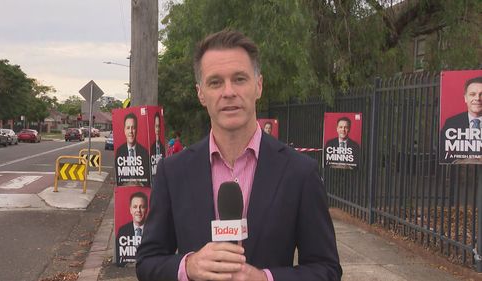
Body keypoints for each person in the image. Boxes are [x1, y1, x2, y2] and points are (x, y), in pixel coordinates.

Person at [136, 30, 341, 281]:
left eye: (240, 79)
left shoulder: (300, 172)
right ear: (201, 93)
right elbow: (147, 262)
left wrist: (265, 279)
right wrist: (188, 266)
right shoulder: (173, 171)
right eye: (215, 82)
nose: (229, 91)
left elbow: (326, 269)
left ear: (259, 86)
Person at [440, 76, 482, 163]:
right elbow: (442, 152)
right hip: (460, 173)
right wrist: (460, 162)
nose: (477, 98)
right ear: (465, 98)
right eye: (472, 94)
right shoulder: (452, 123)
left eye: (481, 94)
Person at [115, 113, 150, 187]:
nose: (131, 131)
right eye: (128, 128)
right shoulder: (119, 152)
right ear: (124, 130)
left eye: (133, 127)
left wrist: (139, 184)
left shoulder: (144, 152)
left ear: (136, 129)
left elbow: (147, 179)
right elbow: (118, 178)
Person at [116, 192, 149, 265]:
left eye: (142, 207)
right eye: (135, 207)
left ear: (146, 209)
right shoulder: (123, 231)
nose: (138, 210)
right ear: (130, 210)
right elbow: (120, 259)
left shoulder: (153, 230)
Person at [149, 111, 165, 186]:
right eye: (156, 126)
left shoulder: (162, 147)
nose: (158, 129)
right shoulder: (149, 148)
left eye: (159, 126)